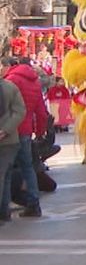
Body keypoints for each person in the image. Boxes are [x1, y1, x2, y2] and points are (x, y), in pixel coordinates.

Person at [4, 57, 45, 217]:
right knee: (28, 168)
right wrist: (40, 132)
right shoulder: (35, 82)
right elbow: (41, 111)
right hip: (26, 131)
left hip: (10, 131)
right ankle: (34, 204)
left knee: (6, 171)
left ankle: (4, 210)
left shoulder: (11, 80)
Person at [0, 74, 25, 224]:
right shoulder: (10, 87)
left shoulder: (10, 87)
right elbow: (20, 111)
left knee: (3, 176)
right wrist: (6, 130)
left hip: (8, 140)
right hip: (10, 140)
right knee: (5, 176)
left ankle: (3, 211)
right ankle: (4, 211)